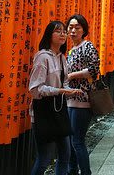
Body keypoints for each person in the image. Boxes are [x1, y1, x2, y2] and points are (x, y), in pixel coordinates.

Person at [29, 21, 83, 175]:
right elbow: (35, 89)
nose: (63, 34)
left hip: (59, 111)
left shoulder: (61, 57)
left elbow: (64, 81)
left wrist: (70, 90)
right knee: (44, 158)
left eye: (63, 32)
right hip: (43, 113)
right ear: (49, 35)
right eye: (57, 31)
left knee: (65, 153)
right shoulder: (42, 57)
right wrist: (59, 91)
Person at [65, 14, 100, 175]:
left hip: (83, 100)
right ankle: (72, 170)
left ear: (84, 30)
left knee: (77, 141)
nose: (73, 31)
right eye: (70, 27)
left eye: (77, 27)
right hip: (70, 100)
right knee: (71, 141)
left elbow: (94, 70)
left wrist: (72, 75)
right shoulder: (71, 49)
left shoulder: (88, 46)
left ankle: (85, 172)